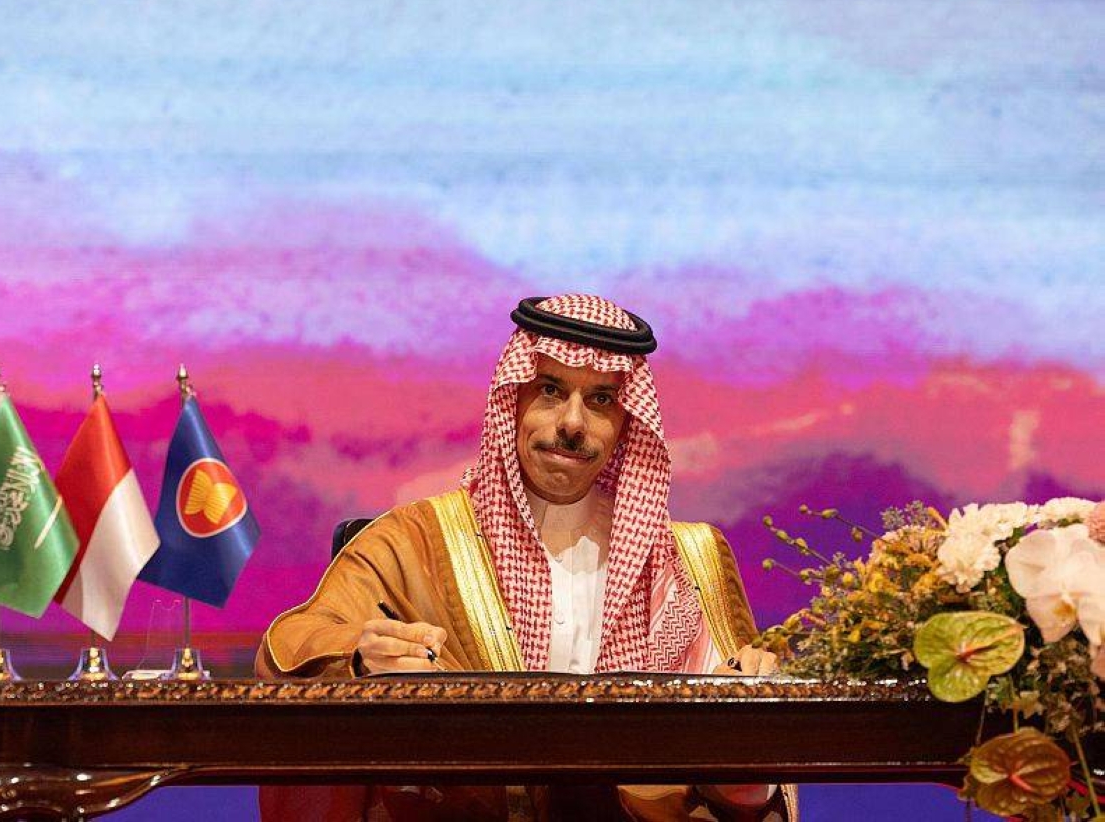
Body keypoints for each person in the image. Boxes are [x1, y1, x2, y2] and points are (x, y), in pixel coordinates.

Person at [257, 294, 795, 821]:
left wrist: (746, 744)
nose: (573, 423)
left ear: (628, 422)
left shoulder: (689, 561)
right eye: (550, 390)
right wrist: (360, 658)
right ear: (512, 401)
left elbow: (744, 784)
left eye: (601, 400)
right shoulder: (412, 541)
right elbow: (288, 652)